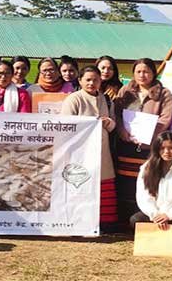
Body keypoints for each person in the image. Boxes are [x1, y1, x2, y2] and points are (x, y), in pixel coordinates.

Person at [113, 58, 172, 222]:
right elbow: (117, 113)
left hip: (149, 146)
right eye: (138, 71)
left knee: (146, 181)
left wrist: (149, 137)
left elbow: (165, 119)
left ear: (153, 73)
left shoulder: (163, 93)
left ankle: (141, 220)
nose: (142, 75)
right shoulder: (125, 91)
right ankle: (124, 219)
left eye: (146, 71)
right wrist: (122, 132)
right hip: (127, 144)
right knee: (125, 181)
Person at [60, 66, 118, 229]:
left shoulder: (106, 99)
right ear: (80, 81)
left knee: (103, 184)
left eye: (95, 80)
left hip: (102, 151)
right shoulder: (74, 99)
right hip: (80, 152)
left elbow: (114, 124)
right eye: (88, 80)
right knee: (81, 184)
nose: (92, 83)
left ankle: (105, 223)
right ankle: (80, 221)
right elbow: (66, 126)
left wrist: (108, 123)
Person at [131, 131, 172, 231]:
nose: (167, 151)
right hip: (156, 216)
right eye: (162, 148)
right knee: (135, 220)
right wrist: (156, 215)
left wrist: (169, 215)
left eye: (171, 148)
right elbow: (143, 196)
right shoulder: (147, 168)